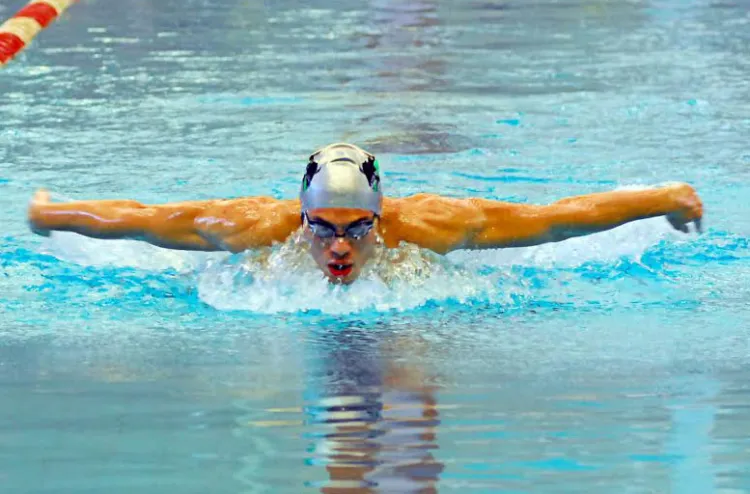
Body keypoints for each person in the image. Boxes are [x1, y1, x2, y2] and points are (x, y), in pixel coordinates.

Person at [27, 142, 703, 284]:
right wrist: (52, 215)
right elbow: (138, 219)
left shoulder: (432, 225)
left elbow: (557, 218)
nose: (339, 248)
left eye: (357, 229)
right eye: (323, 230)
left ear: (382, 220)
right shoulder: (254, 226)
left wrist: (665, 198)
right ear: (302, 219)